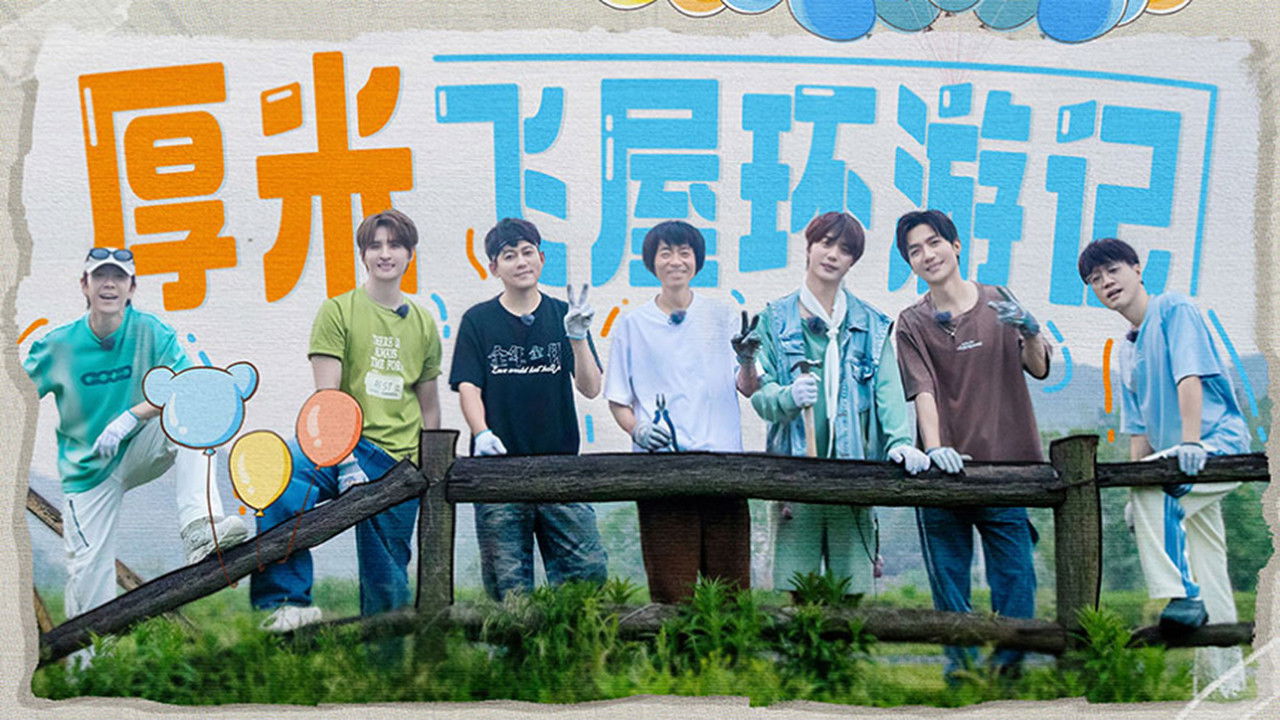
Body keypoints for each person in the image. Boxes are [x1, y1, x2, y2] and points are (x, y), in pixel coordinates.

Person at [22, 247, 248, 624]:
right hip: (88, 472)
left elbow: (189, 386)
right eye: (100, 276)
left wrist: (130, 417)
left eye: (118, 277)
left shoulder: (153, 332)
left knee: (193, 413)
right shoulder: (58, 345)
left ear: (132, 287)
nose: (109, 284)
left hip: (139, 448)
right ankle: (91, 657)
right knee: (88, 577)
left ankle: (199, 527)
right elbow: (15, 396)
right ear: (85, 285)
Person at [251, 208, 442, 632]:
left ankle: (386, 657)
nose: (385, 254)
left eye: (395, 245)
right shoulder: (337, 311)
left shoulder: (424, 323)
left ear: (410, 254)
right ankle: (286, 602)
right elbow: (328, 397)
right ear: (363, 255)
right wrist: (344, 459)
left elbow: (429, 404)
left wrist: (430, 470)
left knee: (386, 575)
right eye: (375, 245)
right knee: (277, 471)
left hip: (398, 460)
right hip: (344, 443)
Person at [1079, 237, 1246, 696]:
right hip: (1175, 461)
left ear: (1136, 268)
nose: (1106, 282)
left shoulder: (1174, 309)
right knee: (1209, 565)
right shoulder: (1126, 350)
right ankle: (1226, 686)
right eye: (1095, 279)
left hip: (1216, 446)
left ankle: (1182, 596)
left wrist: (1190, 443)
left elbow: (1189, 376)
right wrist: (1137, 494)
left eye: (1113, 270)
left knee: (1158, 491)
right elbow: (1139, 431)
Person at [893, 209, 1050, 680]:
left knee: (1016, 578)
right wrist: (935, 448)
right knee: (949, 582)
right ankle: (961, 677)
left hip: (1005, 468)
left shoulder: (999, 300)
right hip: (944, 473)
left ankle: (1006, 676)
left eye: (934, 242)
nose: (927, 255)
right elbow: (922, 389)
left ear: (956, 246)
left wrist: (1030, 330)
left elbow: (1038, 366)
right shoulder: (911, 322)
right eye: (915, 251)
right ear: (909, 263)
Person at [750, 211, 929, 601]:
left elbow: (888, 391)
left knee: (851, 591)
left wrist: (899, 441)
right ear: (809, 247)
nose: (832, 255)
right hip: (794, 473)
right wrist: (787, 396)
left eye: (845, 249)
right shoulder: (773, 319)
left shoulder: (871, 324)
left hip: (853, 472)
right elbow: (760, 393)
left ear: (852, 261)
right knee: (798, 589)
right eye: (825, 243)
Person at [450, 217, 608, 601]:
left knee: (586, 573)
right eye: (509, 255)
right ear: (494, 267)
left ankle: (575, 638)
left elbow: (590, 387)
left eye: (527, 252)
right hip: (498, 471)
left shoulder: (563, 313)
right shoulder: (478, 321)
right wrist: (481, 432)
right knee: (509, 588)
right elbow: (468, 386)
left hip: (560, 466)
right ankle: (516, 641)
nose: (521, 262)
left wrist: (577, 337)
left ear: (541, 258)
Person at [604, 220, 761, 603]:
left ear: (697, 260)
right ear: (652, 262)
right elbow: (618, 400)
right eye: (666, 253)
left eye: (684, 252)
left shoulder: (723, 316)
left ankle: (730, 645)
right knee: (671, 588)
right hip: (661, 471)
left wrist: (747, 361)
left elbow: (748, 387)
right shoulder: (633, 324)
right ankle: (673, 645)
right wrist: (638, 430)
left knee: (730, 586)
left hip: (723, 466)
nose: (675, 261)